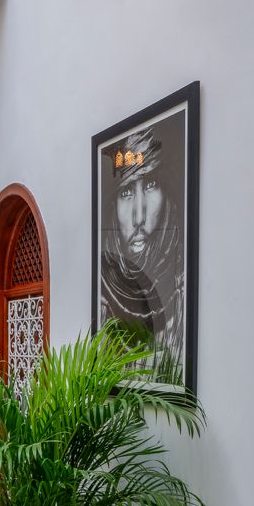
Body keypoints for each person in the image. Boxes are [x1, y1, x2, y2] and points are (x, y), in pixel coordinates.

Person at [100, 127, 185, 375]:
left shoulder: (182, 291)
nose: (139, 216)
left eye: (150, 185)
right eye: (126, 192)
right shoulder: (103, 292)